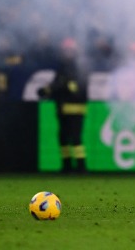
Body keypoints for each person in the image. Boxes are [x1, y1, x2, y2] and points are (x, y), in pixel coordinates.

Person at [42, 38, 89, 173]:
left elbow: (79, 89)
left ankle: (81, 166)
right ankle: (66, 165)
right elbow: (57, 84)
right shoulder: (62, 67)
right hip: (62, 109)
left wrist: (66, 85)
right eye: (65, 50)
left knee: (75, 138)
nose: (67, 53)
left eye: (69, 50)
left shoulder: (79, 67)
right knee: (63, 138)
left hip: (76, 110)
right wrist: (47, 91)